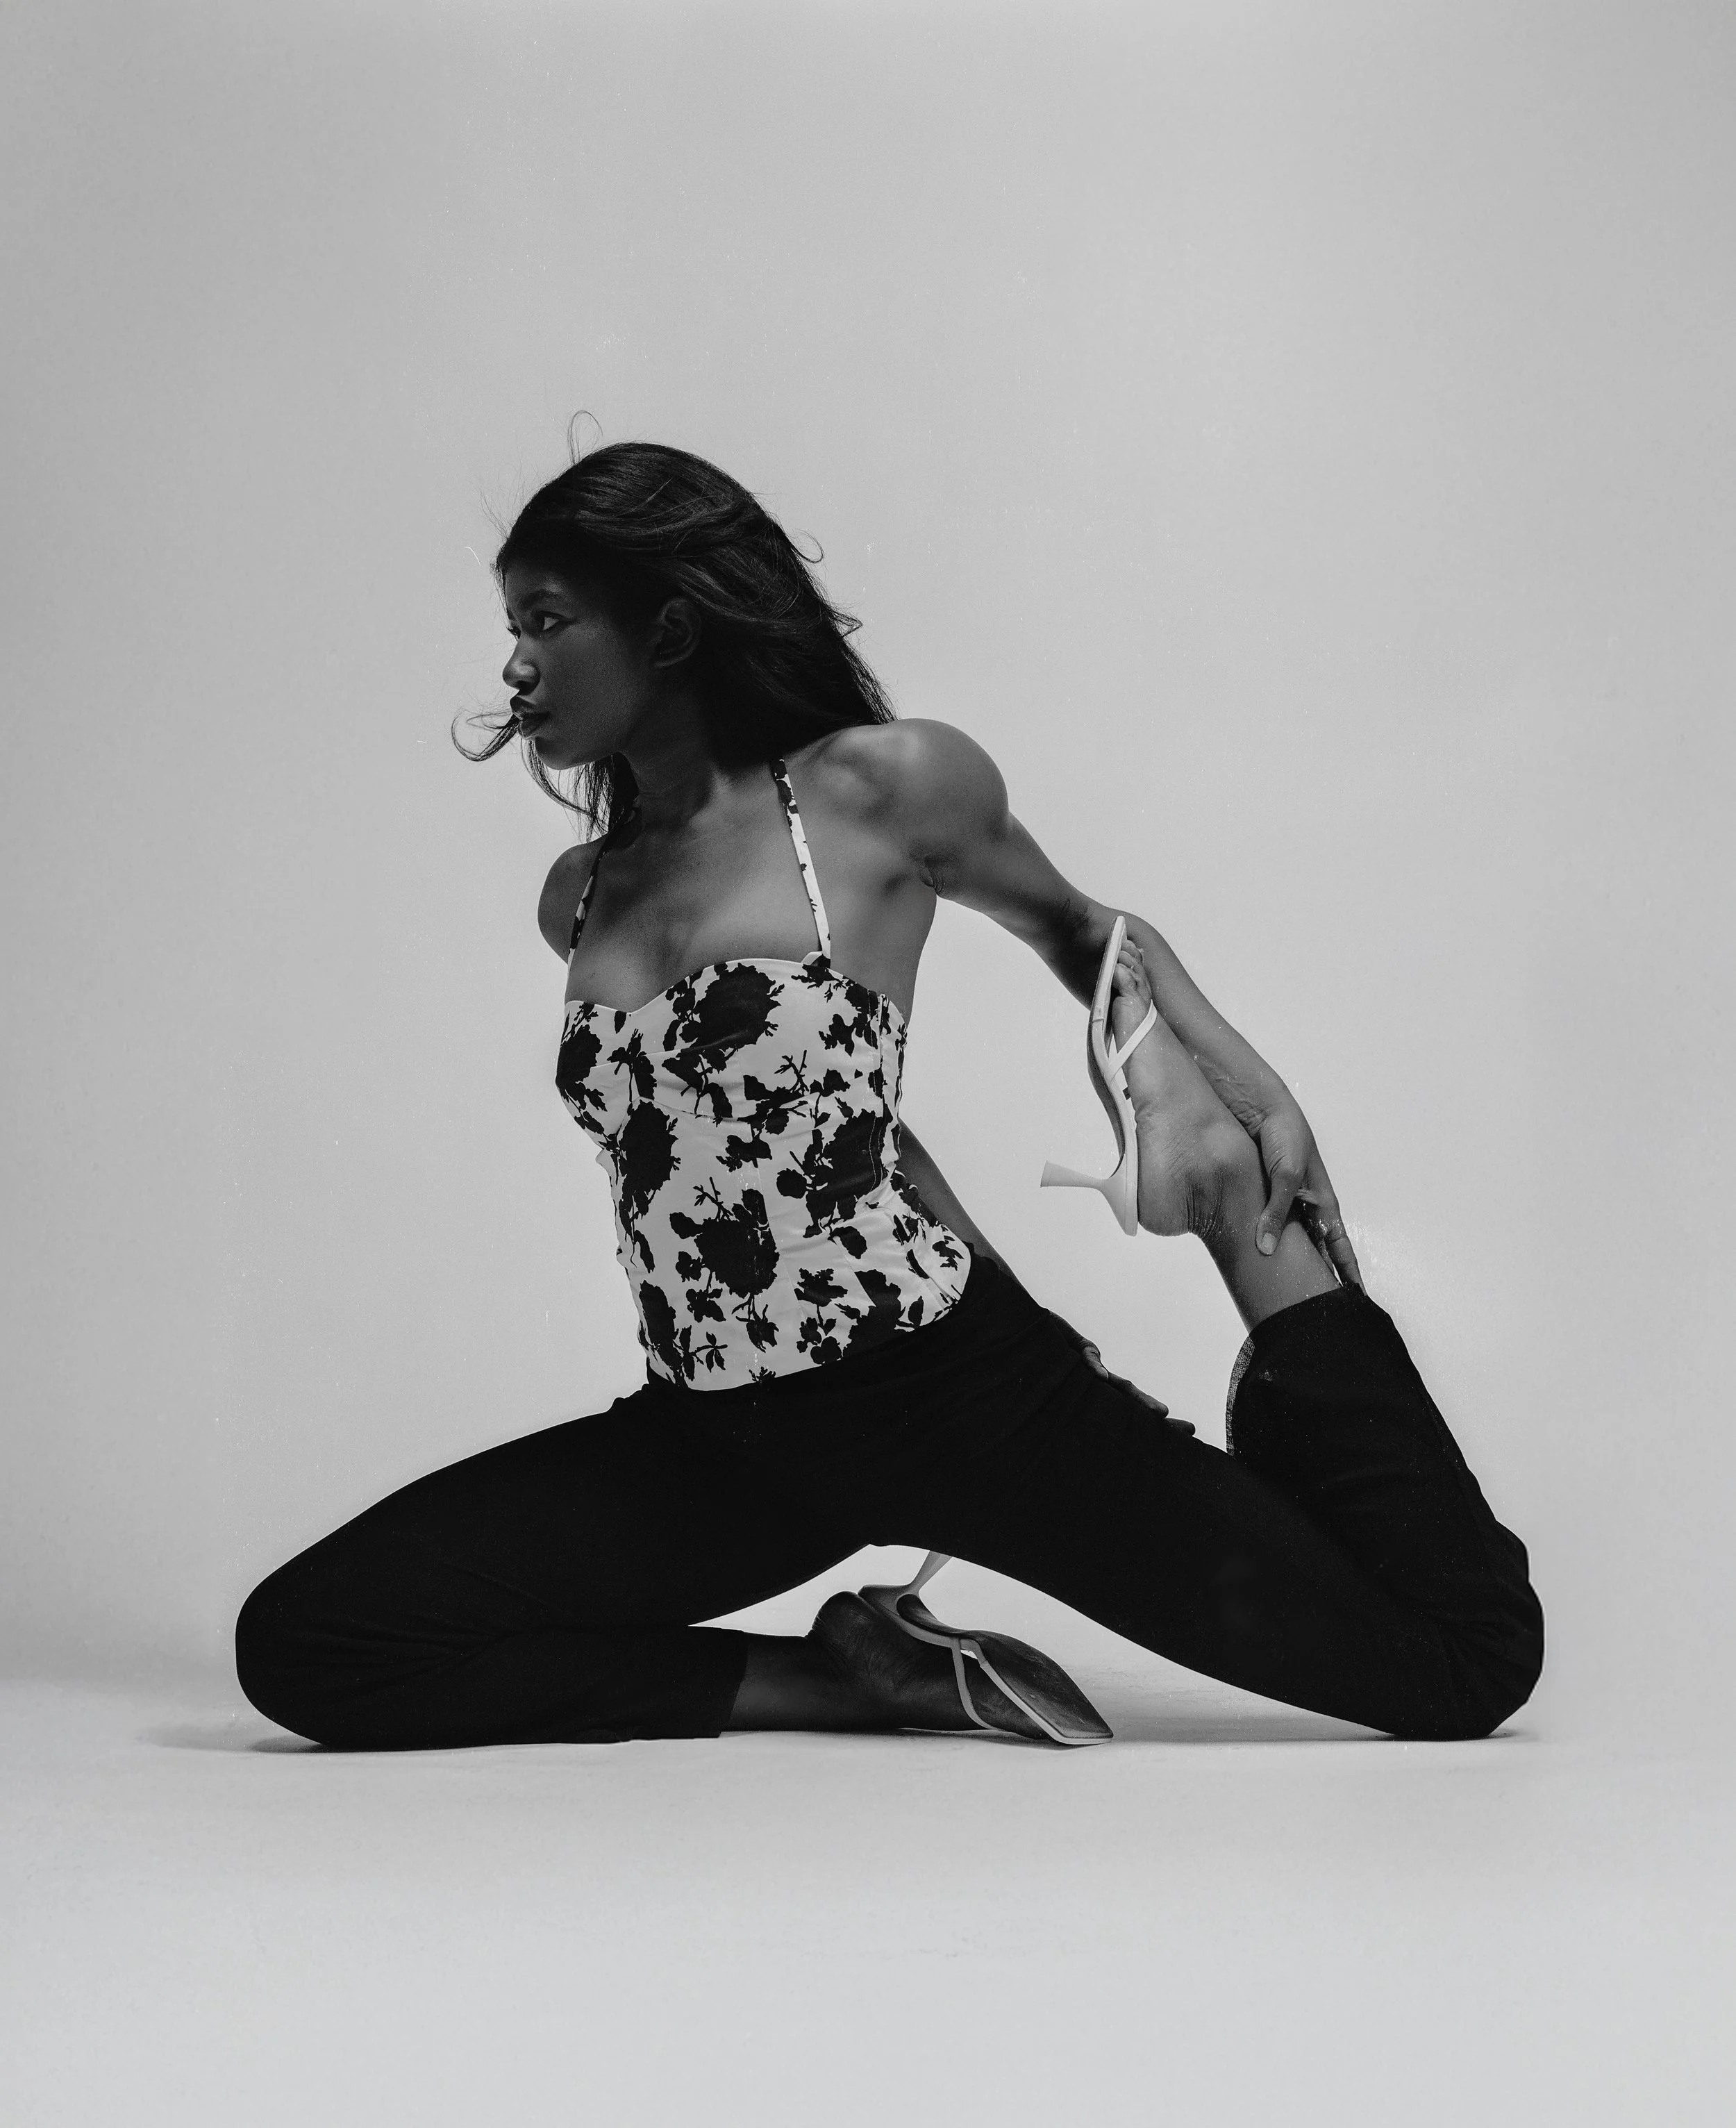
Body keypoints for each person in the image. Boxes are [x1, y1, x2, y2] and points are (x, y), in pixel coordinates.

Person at [234, 442, 1543, 1749]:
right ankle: (843, 1678)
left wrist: (1231, 1091)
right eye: (511, 627)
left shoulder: (873, 792)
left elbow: (1085, 930)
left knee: (1460, 1667)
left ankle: (1263, 1251)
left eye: (548, 621)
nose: (516, 664)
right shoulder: (580, 896)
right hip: (713, 1438)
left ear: (672, 625)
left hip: (956, 1402)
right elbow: (821, 1132)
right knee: (309, 1644)